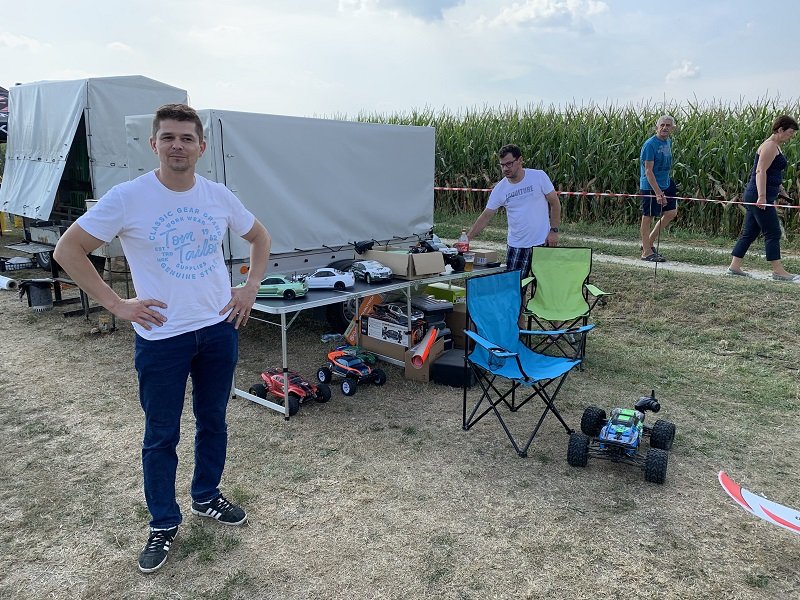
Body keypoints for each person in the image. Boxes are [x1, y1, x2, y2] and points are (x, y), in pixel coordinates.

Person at [53, 103, 271, 574]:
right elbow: (68, 250)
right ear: (154, 143)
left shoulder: (218, 196)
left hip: (217, 329)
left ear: (201, 147)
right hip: (162, 336)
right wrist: (116, 304)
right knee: (161, 435)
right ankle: (163, 522)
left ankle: (206, 496)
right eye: (168, 137)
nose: (178, 146)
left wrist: (250, 287)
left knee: (213, 420)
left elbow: (260, 237)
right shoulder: (128, 197)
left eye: (187, 138)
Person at [465, 144, 561, 275]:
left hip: (542, 243)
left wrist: (554, 231)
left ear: (520, 160)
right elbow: (486, 216)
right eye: (502, 165)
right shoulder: (500, 189)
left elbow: (555, 203)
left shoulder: (538, 177)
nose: (505, 169)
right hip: (516, 246)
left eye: (509, 164)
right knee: (515, 286)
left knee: (544, 285)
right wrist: (467, 238)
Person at [727, 115, 799, 281]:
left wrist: (781, 190)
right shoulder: (770, 146)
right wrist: (762, 197)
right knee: (773, 231)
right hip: (757, 195)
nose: (791, 136)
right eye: (790, 132)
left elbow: (772, 172)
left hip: (762, 194)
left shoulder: (776, 146)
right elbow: (760, 171)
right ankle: (778, 271)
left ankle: (734, 267)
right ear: (780, 129)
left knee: (750, 232)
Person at [639, 115, 678, 262]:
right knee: (648, 216)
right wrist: (658, 193)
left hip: (666, 182)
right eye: (662, 125)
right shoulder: (650, 145)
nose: (665, 128)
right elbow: (648, 171)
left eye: (668, 125)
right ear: (657, 127)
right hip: (651, 184)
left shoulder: (669, 141)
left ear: (672, 128)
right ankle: (646, 252)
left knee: (671, 212)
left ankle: (648, 242)